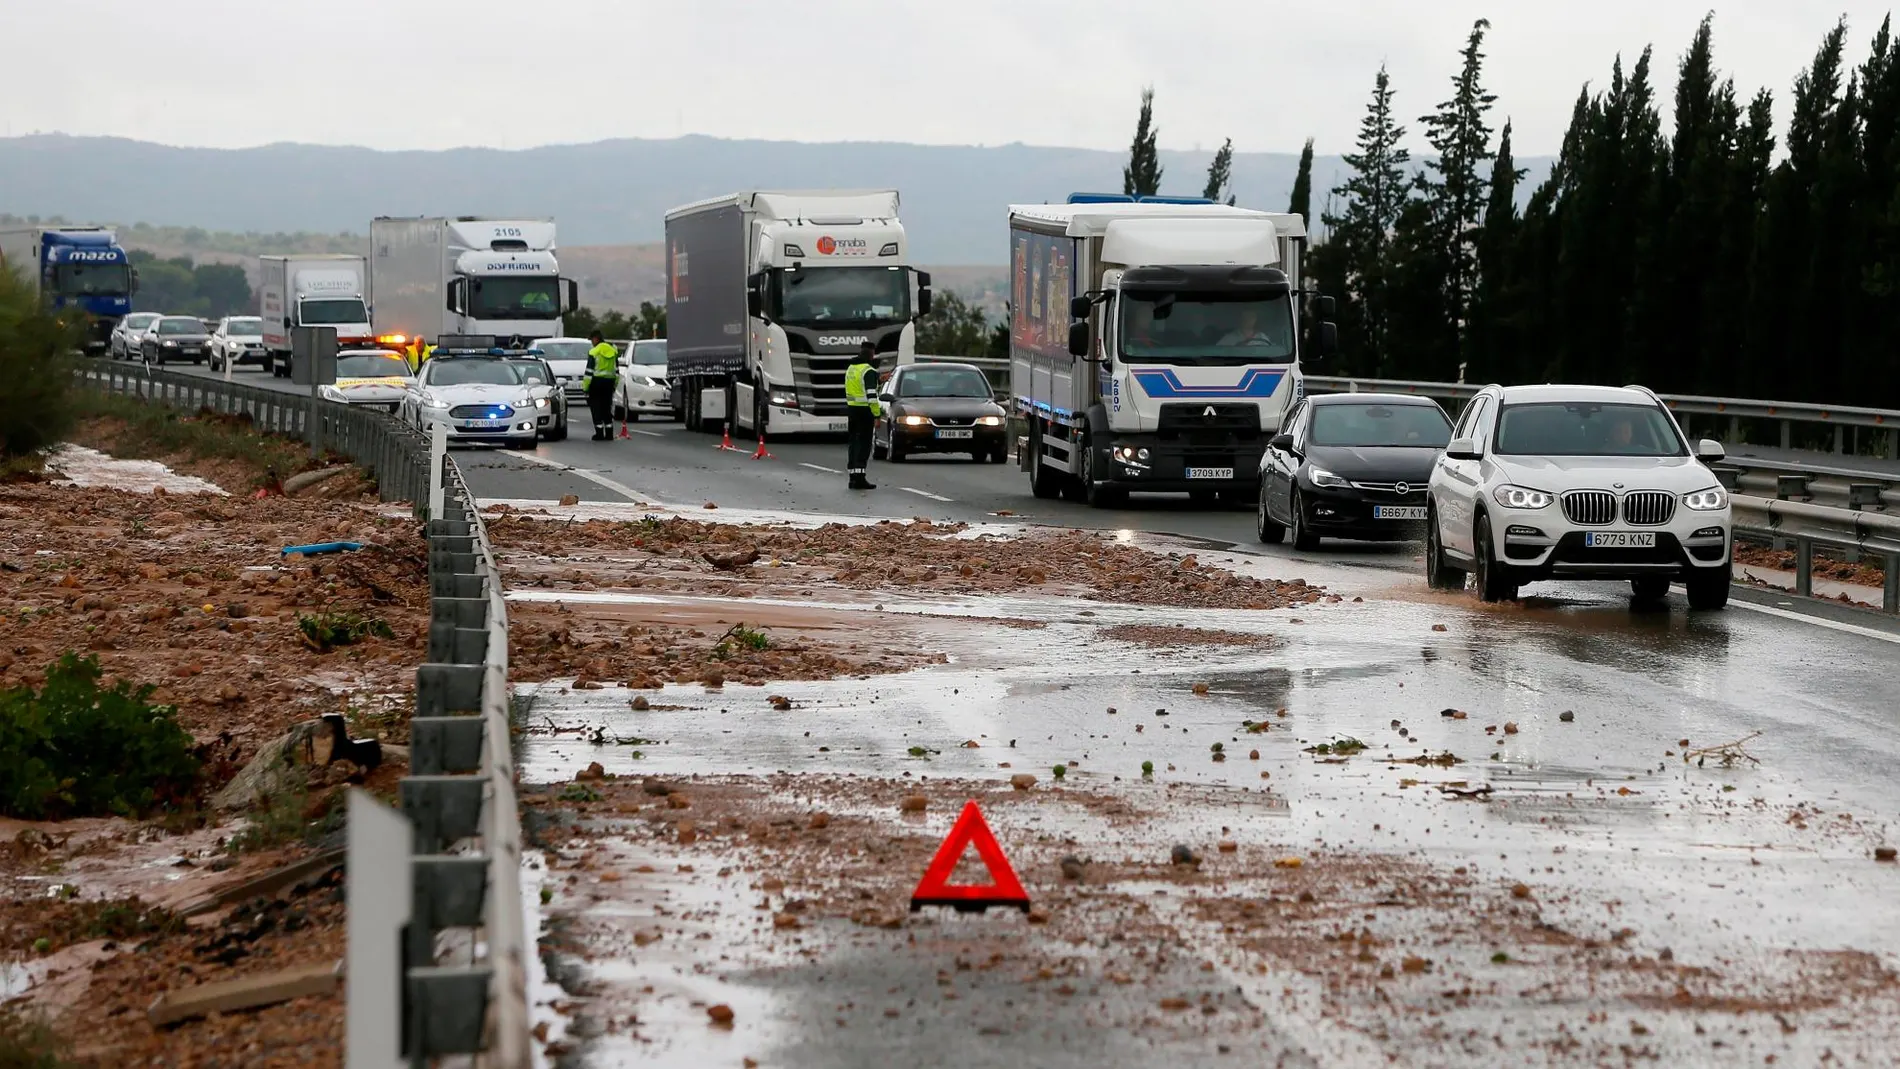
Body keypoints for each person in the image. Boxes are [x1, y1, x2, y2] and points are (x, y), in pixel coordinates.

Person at [844, 341, 882, 490]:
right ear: (872, 354)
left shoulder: (851, 368)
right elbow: (871, 396)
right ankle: (860, 477)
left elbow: (856, 387)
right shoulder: (869, 371)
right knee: (864, 444)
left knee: (853, 442)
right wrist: (877, 415)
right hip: (865, 411)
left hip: (852, 410)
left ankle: (853, 477)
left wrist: (878, 380)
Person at [581, 330, 619, 440]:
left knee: (596, 408)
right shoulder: (613, 351)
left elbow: (589, 372)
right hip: (609, 383)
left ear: (596, 339)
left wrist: (585, 388)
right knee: (607, 408)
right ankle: (609, 433)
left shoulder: (594, 352)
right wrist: (614, 386)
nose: (592, 342)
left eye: (592, 340)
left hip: (596, 383)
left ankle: (599, 433)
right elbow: (616, 371)